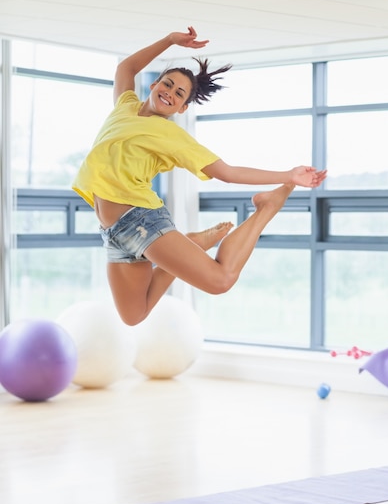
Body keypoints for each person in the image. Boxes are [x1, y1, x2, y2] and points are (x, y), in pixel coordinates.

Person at [73, 26, 326, 326]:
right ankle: (189, 243)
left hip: (141, 222)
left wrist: (287, 175)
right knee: (133, 315)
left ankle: (267, 206)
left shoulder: (171, 135)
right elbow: (126, 67)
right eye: (167, 84)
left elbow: (227, 173)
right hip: (113, 233)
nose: (170, 93)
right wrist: (169, 41)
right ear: (154, 84)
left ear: (182, 107)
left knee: (221, 280)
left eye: (179, 94)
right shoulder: (125, 107)